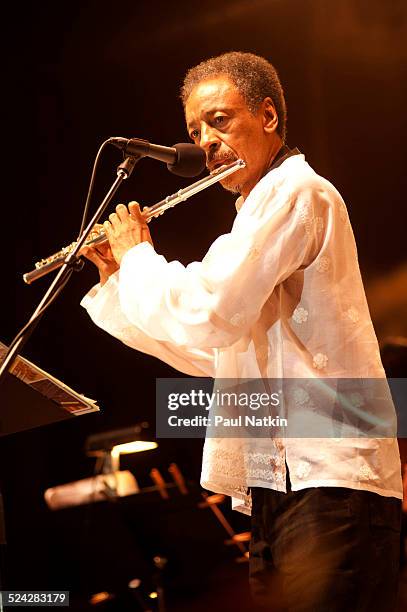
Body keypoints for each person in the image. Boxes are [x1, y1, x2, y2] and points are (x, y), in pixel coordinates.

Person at [81, 52, 402, 610]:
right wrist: (117, 282)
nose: (205, 141)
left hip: (331, 481)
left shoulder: (295, 192)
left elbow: (208, 308)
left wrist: (137, 257)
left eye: (220, 120)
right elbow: (217, 352)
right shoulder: (255, 213)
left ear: (269, 116)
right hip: (279, 484)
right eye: (194, 130)